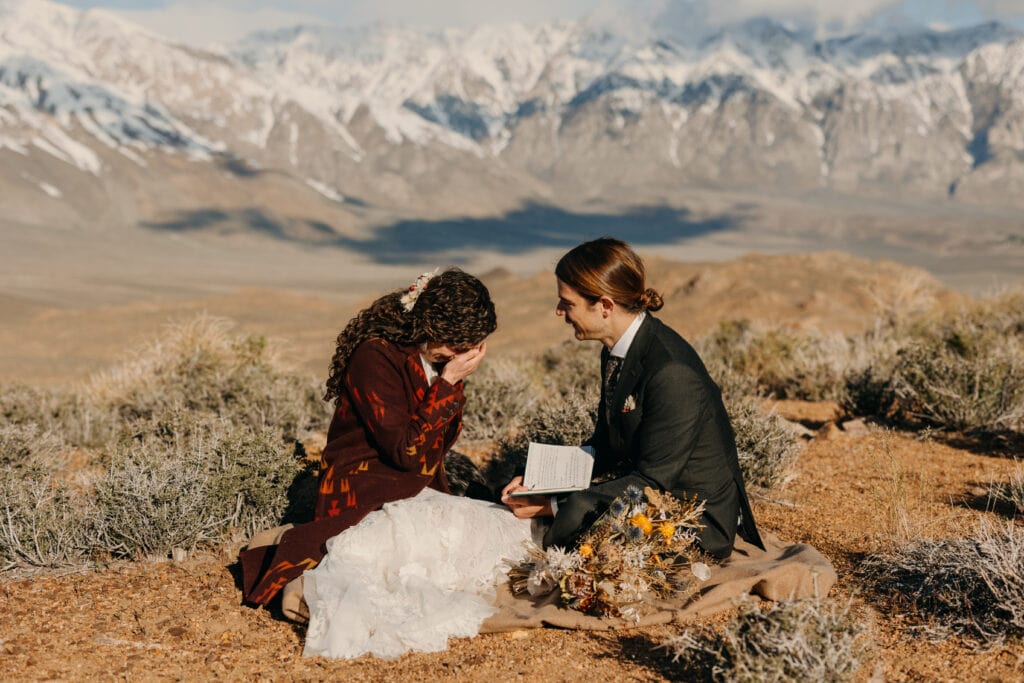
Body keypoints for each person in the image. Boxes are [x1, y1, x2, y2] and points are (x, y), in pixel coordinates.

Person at [240, 268, 527, 615]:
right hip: (364, 486)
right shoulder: (375, 358)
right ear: (430, 329)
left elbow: (438, 441)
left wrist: (448, 380)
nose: (461, 356)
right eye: (457, 346)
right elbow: (407, 452)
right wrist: (449, 384)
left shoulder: (435, 360)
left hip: (412, 483)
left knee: (501, 533)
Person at [502, 238, 764, 559]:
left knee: (575, 518)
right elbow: (606, 443)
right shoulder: (616, 350)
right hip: (647, 483)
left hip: (690, 519)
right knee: (523, 478)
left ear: (605, 306)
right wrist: (539, 481)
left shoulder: (671, 372)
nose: (559, 311)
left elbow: (654, 482)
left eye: (567, 303)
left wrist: (553, 505)